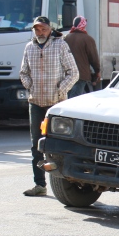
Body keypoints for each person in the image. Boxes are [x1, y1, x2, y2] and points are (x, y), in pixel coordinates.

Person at [19, 16, 78, 197]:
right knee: (36, 145)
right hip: (36, 102)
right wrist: (31, 87)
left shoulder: (60, 45)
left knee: (58, 145)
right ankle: (39, 184)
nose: (40, 32)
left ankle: (67, 183)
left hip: (56, 104)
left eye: (43, 29)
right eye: (37, 29)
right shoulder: (29, 47)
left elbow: (73, 73)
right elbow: (23, 72)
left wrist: (61, 90)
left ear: (50, 29)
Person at [64, 15, 101, 98]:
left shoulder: (66, 38)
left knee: (68, 100)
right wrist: (97, 71)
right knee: (76, 101)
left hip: (67, 76)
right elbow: (93, 58)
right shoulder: (88, 39)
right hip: (81, 76)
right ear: (84, 25)